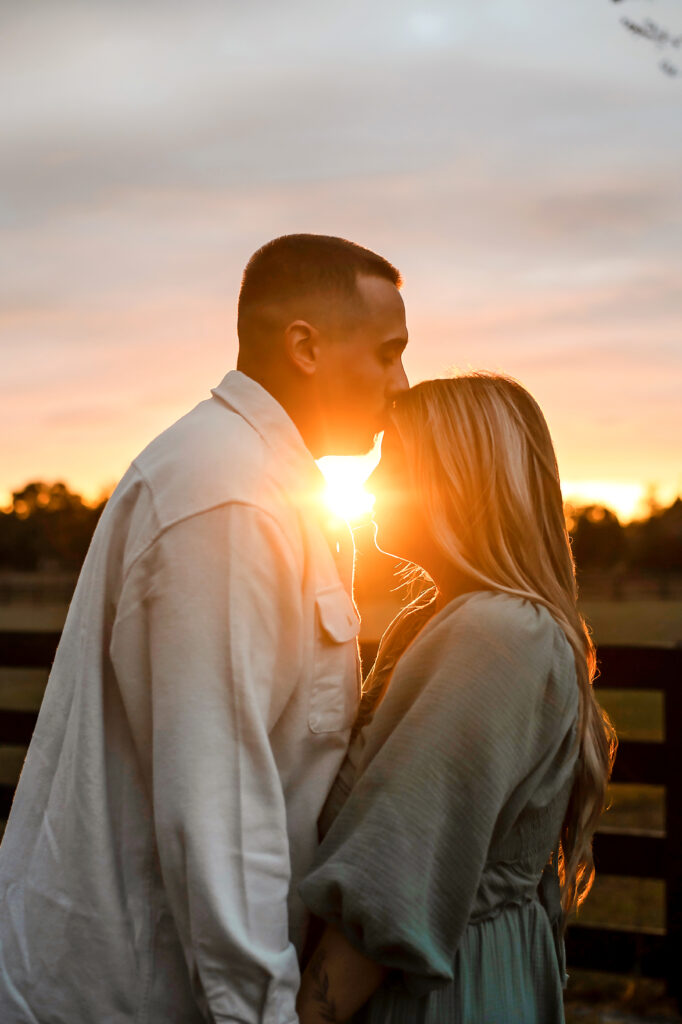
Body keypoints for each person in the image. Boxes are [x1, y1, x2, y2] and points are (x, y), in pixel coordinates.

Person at [0, 234, 409, 1023]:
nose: (400, 383)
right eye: (387, 353)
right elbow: (218, 805)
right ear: (306, 347)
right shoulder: (231, 500)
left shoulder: (270, 488)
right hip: (130, 993)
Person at [296, 374, 617, 1024]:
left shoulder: (495, 635)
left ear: (455, 479)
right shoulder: (444, 620)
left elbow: (390, 874)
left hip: (434, 989)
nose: (372, 478)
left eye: (393, 456)